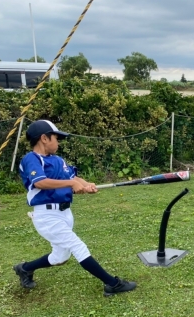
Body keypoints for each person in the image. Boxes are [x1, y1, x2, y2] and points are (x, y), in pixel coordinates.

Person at [13, 119, 137, 296]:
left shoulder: (57, 160)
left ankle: (24, 268)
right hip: (47, 216)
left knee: (60, 257)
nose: (58, 142)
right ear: (44, 138)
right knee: (78, 246)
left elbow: (73, 178)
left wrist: (86, 185)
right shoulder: (31, 159)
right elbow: (40, 182)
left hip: (64, 213)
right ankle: (112, 284)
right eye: (56, 138)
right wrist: (71, 184)